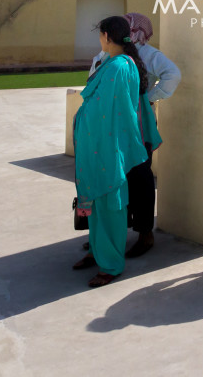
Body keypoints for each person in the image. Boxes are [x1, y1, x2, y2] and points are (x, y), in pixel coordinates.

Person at [87, 12, 180, 258]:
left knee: (139, 179)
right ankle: (106, 232)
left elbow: (173, 75)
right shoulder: (108, 55)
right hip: (110, 127)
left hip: (137, 125)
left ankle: (144, 233)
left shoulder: (146, 55)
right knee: (114, 179)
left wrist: (147, 98)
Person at [72, 16, 150, 287]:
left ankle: (112, 264)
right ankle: (98, 253)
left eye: (99, 36)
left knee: (110, 206)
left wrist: (82, 121)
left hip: (108, 146)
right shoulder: (119, 63)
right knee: (97, 205)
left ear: (106, 36)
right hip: (102, 146)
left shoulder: (118, 66)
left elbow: (102, 110)